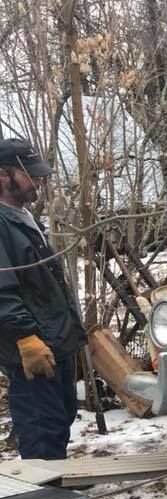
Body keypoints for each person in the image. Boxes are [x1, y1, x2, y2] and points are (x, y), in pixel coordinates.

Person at [0, 138, 86, 460]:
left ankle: (55, 484)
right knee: (41, 432)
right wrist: (25, 338)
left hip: (54, 344)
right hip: (31, 350)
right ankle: (45, 491)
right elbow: (2, 291)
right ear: (2, 175)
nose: (39, 180)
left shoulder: (22, 217)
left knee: (59, 421)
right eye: (30, 174)